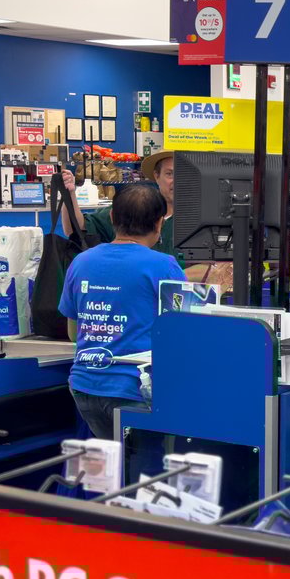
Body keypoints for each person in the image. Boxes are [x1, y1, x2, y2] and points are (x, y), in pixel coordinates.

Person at [57, 183, 186, 439]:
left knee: (117, 459)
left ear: (112, 216)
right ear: (159, 223)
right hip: (136, 390)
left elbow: (73, 332)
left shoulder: (81, 261)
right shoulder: (164, 266)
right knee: (144, 462)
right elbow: (183, 331)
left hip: (85, 387)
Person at [59, 150, 180, 260]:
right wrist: (69, 193)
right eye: (169, 174)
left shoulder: (191, 218)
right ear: (157, 176)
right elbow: (75, 229)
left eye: (183, 174)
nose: (177, 180)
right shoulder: (131, 207)